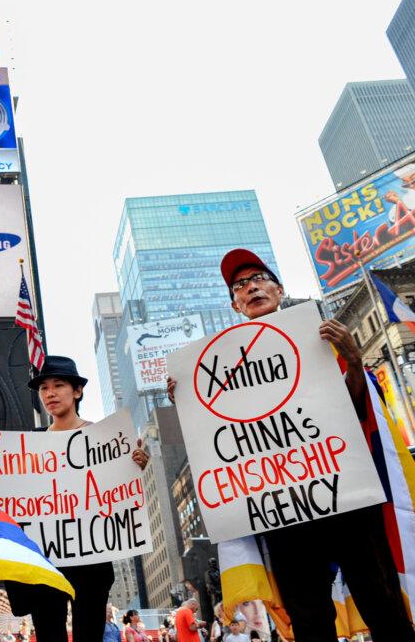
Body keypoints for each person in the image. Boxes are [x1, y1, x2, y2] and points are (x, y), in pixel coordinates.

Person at [167, 249, 415, 642]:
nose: (250, 287)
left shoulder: (321, 337)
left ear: (278, 289)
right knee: (308, 616)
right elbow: (221, 438)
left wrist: (352, 363)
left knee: (380, 597)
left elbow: (357, 412)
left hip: (346, 492)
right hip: (284, 509)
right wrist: (189, 401)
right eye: (240, 286)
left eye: (258, 278)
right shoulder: (222, 366)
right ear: (236, 305)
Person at [0, 356, 149, 642]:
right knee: (49, 634)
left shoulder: (105, 439)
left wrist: (134, 464)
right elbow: (8, 495)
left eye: (58, 385)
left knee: (90, 634)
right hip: (45, 559)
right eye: (43, 388)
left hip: (92, 559)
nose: (49, 393)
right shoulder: (26, 448)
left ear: (77, 391)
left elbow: (117, 492)